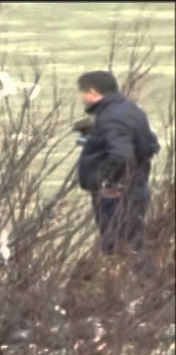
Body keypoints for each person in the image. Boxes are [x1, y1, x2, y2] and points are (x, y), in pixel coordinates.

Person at [75, 71, 160, 268]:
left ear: (93, 92)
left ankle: (140, 288)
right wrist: (95, 136)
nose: (81, 97)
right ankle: (143, 288)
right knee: (132, 242)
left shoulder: (110, 118)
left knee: (119, 246)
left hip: (118, 194)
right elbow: (150, 144)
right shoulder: (130, 109)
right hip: (136, 186)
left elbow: (121, 155)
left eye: (83, 92)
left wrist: (108, 183)